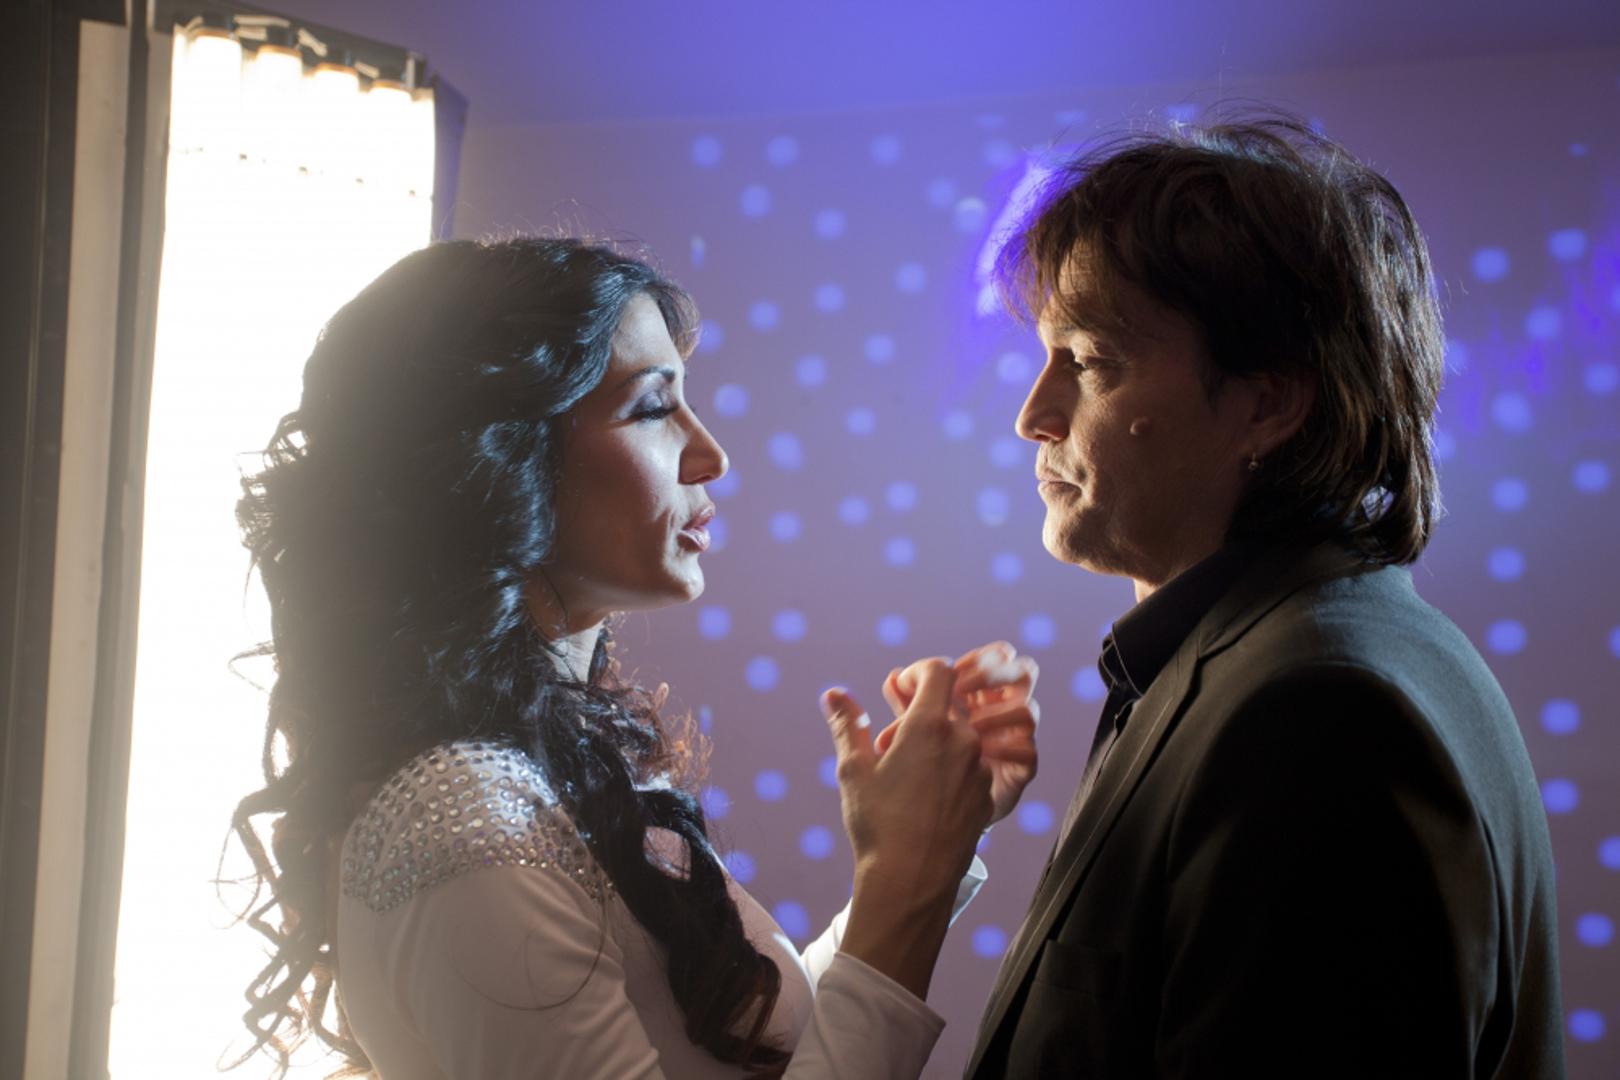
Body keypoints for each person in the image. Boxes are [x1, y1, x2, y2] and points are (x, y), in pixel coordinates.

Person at [227, 237, 1040, 1078]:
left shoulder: (546, 772)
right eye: (653, 407)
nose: (710, 453)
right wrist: (903, 878)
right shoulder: (465, 825)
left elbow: (758, 1055)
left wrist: (928, 847)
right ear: (504, 460)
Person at [964, 116, 1564, 1078]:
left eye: (1090, 361)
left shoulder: (1319, 714)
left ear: (1268, 404)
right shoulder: (1287, 657)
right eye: (1044, 357)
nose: (1033, 415)